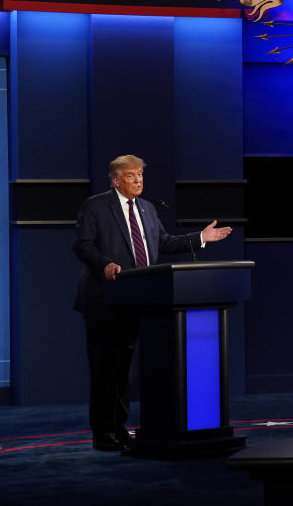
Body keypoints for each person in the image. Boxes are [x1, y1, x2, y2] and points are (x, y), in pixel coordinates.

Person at [73, 155, 232, 451]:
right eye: (131, 176)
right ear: (116, 180)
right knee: (105, 370)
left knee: (123, 371)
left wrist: (201, 238)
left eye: (141, 175)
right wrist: (104, 264)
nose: (138, 180)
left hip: (142, 301)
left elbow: (165, 243)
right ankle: (103, 433)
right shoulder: (95, 206)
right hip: (105, 302)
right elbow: (82, 245)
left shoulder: (147, 209)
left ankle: (120, 429)